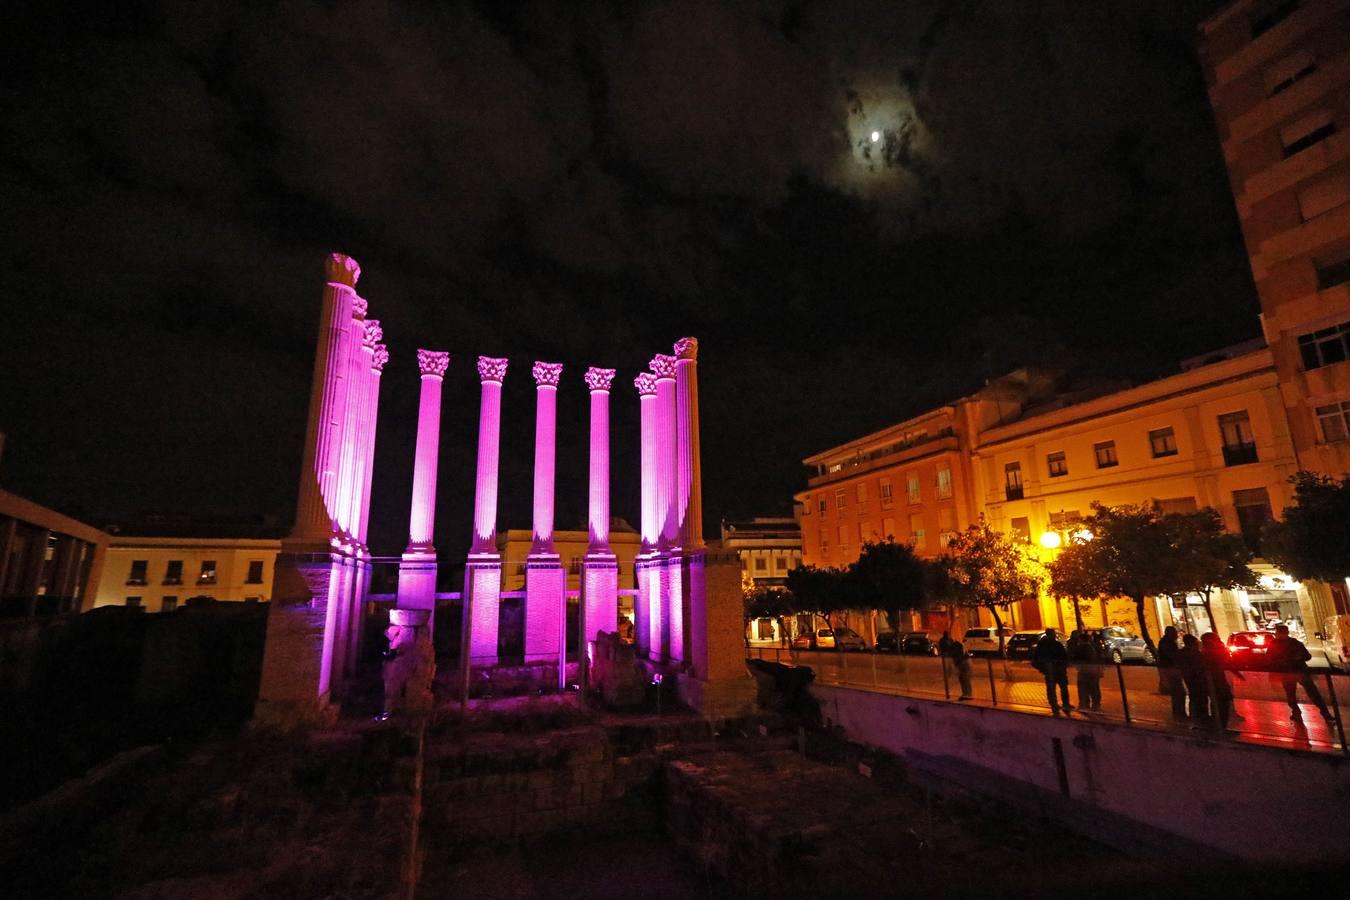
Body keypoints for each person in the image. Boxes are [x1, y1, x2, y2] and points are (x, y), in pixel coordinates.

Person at [1268, 623, 1336, 723]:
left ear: (1277, 633)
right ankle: (1325, 713)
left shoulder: (1273, 644)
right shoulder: (1295, 643)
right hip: (1300, 670)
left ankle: (1296, 713)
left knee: (1291, 695)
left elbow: (1269, 658)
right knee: (1313, 693)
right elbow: (1308, 656)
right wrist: (1298, 659)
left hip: (1287, 673)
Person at [1199, 631, 1242, 731]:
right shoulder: (1210, 651)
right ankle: (1219, 726)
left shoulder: (1206, 651)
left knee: (1218, 703)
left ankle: (1219, 725)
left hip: (1216, 681)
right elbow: (1224, 662)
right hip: (1216, 681)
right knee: (1220, 703)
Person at [1032, 628, 1072, 713]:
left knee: (1052, 689)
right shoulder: (1055, 644)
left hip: (1051, 670)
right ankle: (1064, 704)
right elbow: (1063, 656)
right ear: (1051, 634)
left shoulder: (1041, 645)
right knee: (1061, 687)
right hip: (1057, 670)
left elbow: (1035, 659)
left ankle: (1055, 705)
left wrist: (1043, 669)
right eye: (1053, 633)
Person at [1156, 626, 1187, 723]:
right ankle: (1179, 712)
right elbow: (1172, 655)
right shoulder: (1168, 643)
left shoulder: (1166, 642)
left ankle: (1178, 711)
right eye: (1174, 633)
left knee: (1177, 691)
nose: (1176, 635)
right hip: (1171, 668)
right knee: (1179, 691)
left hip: (1169, 668)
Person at [1068, 629, 1103, 711]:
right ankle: (1095, 704)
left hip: (1085, 671)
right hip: (1093, 670)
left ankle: (1085, 704)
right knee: (1094, 688)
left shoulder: (1081, 648)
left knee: (1084, 688)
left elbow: (1074, 658)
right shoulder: (1093, 647)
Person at [1179, 633, 1210, 727]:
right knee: (1199, 698)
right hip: (1196, 679)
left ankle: (1196, 718)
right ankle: (1201, 718)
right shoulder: (1194, 653)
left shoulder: (1183, 652)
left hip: (1190, 678)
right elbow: (1200, 666)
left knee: (1194, 698)